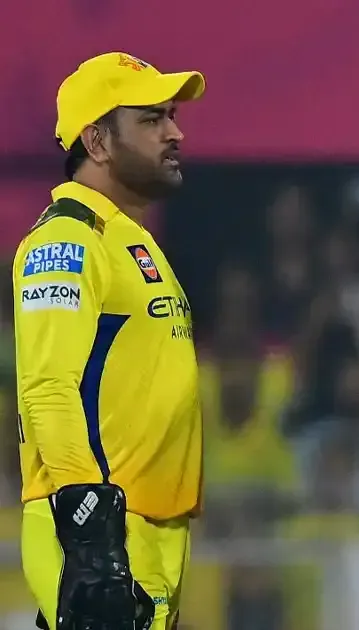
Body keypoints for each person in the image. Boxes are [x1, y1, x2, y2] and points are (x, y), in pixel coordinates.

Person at [14, 52, 205, 630]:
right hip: (102, 533)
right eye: (150, 119)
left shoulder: (128, 240)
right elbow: (47, 389)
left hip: (146, 532)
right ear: (96, 141)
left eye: (171, 116)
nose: (174, 133)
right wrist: (92, 540)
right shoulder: (68, 240)